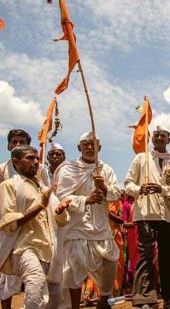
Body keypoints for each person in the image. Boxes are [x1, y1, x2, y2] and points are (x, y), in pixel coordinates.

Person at [0, 145, 68, 309]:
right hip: (24, 248)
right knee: (36, 283)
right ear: (16, 162)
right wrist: (40, 206)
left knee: (54, 298)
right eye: (30, 158)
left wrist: (60, 210)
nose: (36, 162)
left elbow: (61, 220)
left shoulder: (44, 188)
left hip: (48, 248)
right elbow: (9, 222)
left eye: (37, 158)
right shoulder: (8, 186)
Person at [54, 132, 121, 309]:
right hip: (77, 229)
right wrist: (85, 200)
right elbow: (61, 195)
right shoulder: (69, 168)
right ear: (79, 148)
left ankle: (104, 299)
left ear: (99, 147)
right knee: (74, 272)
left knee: (110, 264)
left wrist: (104, 188)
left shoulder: (106, 169)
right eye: (85, 144)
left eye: (93, 144)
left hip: (101, 228)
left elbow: (117, 194)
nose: (90, 147)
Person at [125, 126, 170, 309]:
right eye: (156, 135)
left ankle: (169, 298)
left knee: (169, 257)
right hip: (146, 213)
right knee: (146, 255)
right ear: (151, 138)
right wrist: (138, 189)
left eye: (163, 135)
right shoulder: (141, 158)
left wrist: (162, 189)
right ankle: (145, 298)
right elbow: (128, 183)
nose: (159, 138)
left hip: (169, 216)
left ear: (169, 139)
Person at [0, 129, 49, 309]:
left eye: (22, 142)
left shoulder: (39, 170)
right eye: (14, 142)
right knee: (6, 280)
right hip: (11, 229)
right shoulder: (2, 171)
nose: (17, 145)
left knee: (40, 282)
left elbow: (46, 194)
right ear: (9, 146)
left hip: (36, 232)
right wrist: (20, 210)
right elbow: (0, 201)